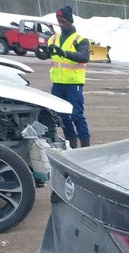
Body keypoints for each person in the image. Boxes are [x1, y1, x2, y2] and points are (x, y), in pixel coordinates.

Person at [48, 6, 91, 148]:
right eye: (59, 21)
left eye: (64, 21)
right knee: (61, 116)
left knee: (77, 115)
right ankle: (71, 144)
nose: (61, 24)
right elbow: (49, 55)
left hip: (73, 83)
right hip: (58, 83)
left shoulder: (80, 40)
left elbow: (84, 56)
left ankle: (85, 146)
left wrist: (65, 53)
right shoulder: (53, 39)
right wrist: (41, 53)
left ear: (70, 21)